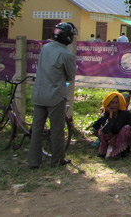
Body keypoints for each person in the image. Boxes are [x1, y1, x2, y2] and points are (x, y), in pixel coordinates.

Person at [28, 22, 77, 168]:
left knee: (36, 130)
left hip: (39, 93)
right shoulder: (66, 54)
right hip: (55, 96)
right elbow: (70, 76)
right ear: (67, 37)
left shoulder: (45, 48)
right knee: (56, 130)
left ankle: (33, 161)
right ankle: (57, 160)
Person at [94, 92, 131, 159]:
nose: (114, 105)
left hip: (121, 138)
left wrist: (115, 137)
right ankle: (104, 151)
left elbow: (130, 128)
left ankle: (118, 151)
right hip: (109, 139)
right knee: (101, 131)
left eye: (116, 103)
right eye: (112, 103)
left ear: (120, 103)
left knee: (126, 128)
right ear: (108, 104)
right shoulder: (105, 114)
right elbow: (105, 130)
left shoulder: (125, 113)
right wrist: (110, 116)